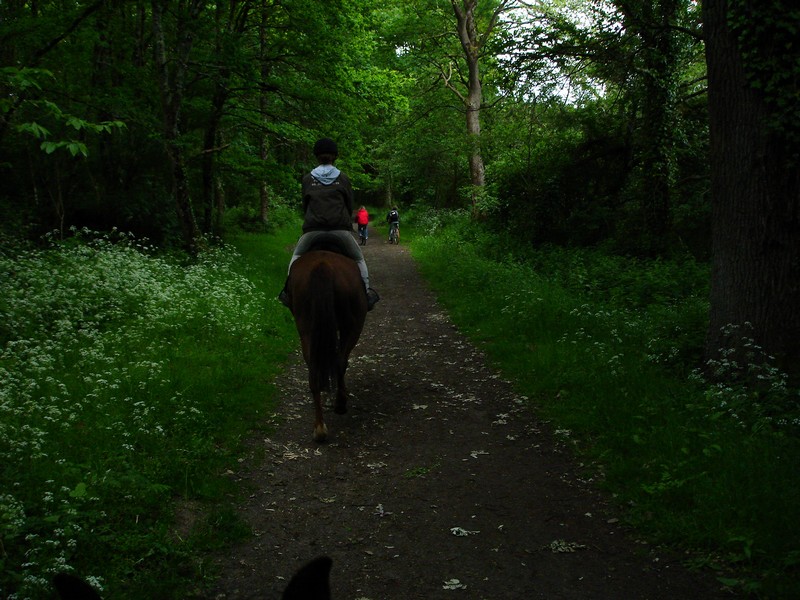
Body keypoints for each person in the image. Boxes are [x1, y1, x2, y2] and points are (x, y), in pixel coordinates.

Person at [278, 138, 380, 310]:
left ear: (317, 157)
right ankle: (367, 293)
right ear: (335, 157)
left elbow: (305, 205)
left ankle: (288, 293)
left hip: (313, 231)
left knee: (296, 258)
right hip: (340, 230)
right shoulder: (344, 178)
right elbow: (348, 206)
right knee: (358, 258)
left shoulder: (307, 179)